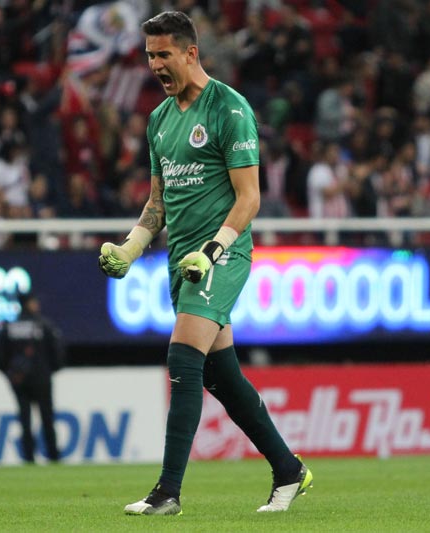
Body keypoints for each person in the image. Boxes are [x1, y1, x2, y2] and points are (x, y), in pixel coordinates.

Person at [98, 11, 312, 516]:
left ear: (190, 53)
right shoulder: (159, 119)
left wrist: (213, 251)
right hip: (182, 260)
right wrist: (130, 248)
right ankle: (289, 470)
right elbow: (158, 204)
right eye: (149, 55)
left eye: (163, 54)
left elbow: (249, 199)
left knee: (182, 357)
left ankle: (167, 492)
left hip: (223, 254)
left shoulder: (229, 109)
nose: (154, 65)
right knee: (221, 376)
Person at [0, 293, 63, 464]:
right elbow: (57, 352)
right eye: (34, 302)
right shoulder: (43, 325)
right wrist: (50, 370)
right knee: (47, 418)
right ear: (29, 304)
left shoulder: (9, 327)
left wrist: (11, 374)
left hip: (19, 381)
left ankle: (28, 457)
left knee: (25, 419)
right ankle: (53, 455)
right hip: (41, 379)